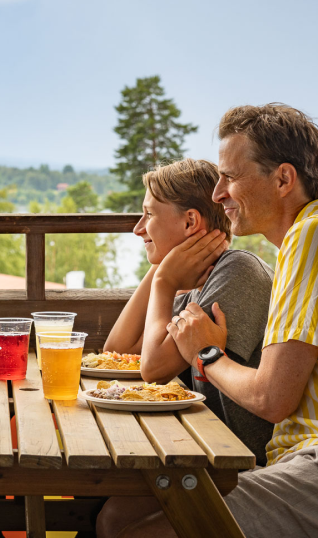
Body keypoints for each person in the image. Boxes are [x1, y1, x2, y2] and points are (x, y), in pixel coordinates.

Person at [98, 103, 318, 538]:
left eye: (231, 177)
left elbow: (273, 398)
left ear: (282, 179)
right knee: (117, 520)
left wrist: (207, 354)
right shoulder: (311, 240)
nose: (219, 193)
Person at [103, 158, 274, 464]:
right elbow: (118, 352)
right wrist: (161, 268)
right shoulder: (196, 285)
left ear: (190, 222)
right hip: (205, 447)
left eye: (148, 215)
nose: (137, 228)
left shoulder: (237, 271)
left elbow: (153, 370)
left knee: (116, 511)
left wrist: (164, 280)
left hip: (245, 462)